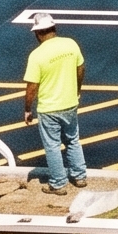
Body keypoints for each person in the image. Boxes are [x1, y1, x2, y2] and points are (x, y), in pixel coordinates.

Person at [19, 11, 87, 192]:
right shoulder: (71, 44)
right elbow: (81, 69)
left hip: (49, 108)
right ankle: (79, 176)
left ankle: (58, 183)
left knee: (52, 146)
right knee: (73, 140)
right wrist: (77, 90)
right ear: (54, 28)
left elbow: (32, 87)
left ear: (38, 33)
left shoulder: (37, 55)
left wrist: (27, 109)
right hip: (70, 103)